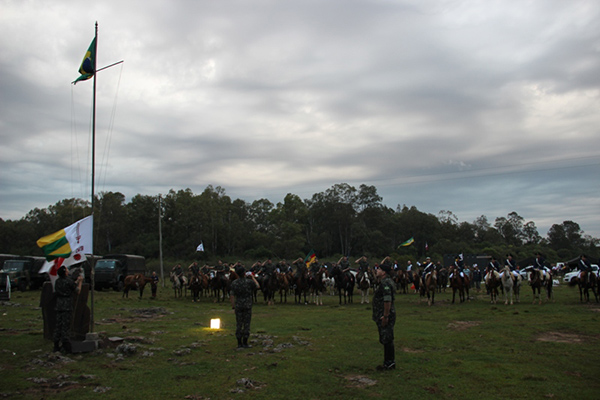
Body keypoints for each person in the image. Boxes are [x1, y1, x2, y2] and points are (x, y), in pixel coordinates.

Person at [53, 265, 83, 353]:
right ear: (65, 272)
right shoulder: (68, 281)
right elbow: (77, 291)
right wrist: (80, 282)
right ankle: (66, 346)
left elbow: (71, 285)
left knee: (58, 325)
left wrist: (76, 281)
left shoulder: (58, 281)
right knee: (65, 326)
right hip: (67, 306)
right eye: (66, 270)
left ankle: (56, 345)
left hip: (59, 305)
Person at [372, 260, 396, 371]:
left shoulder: (385, 283)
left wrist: (385, 316)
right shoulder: (384, 281)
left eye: (380, 269)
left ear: (384, 272)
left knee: (387, 339)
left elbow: (387, 300)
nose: (377, 270)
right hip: (383, 314)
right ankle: (389, 362)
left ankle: (389, 363)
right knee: (386, 338)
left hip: (385, 315)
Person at [230, 265, 260, 349]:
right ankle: (245, 343)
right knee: (246, 324)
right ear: (244, 273)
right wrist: (253, 278)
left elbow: (232, 295)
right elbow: (257, 286)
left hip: (238, 305)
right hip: (247, 305)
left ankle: (239, 343)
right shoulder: (249, 282)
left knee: (239, 324)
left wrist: (233, 306)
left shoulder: (234, 283)